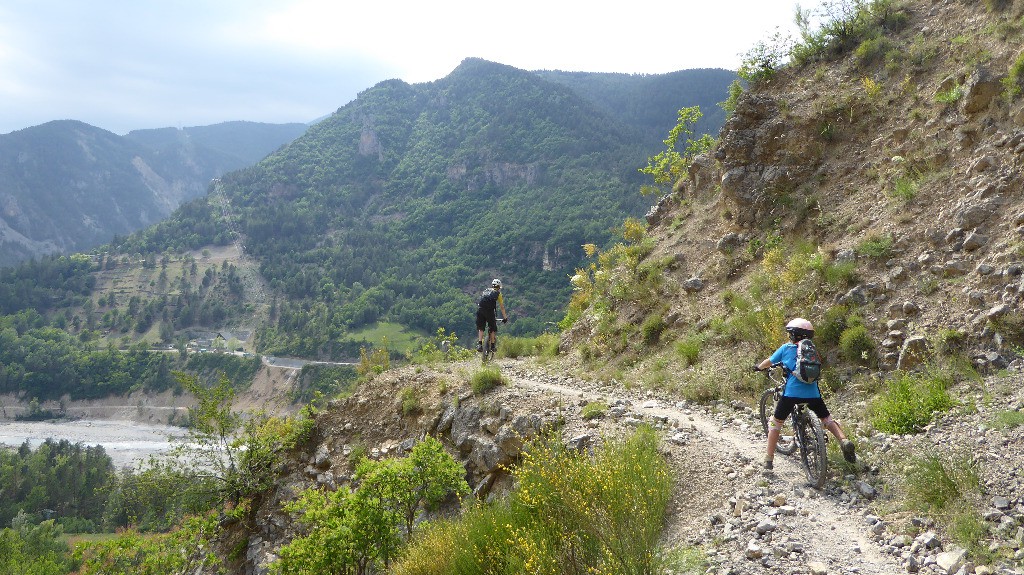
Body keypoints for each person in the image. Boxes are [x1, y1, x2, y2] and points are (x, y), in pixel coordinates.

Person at [754, 317, 856, 470]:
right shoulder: (813, 350)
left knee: (776, 423)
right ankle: (843, 440)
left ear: (793, 335)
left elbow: (769, 361)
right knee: (827, 419)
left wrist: (759, 367)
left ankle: (768, 459)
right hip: (813, 394)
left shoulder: (786, 348)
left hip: (791, 394)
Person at [476, 279, 508, 352]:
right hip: (489, 312)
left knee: (481, 328)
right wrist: (505, 318)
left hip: (480, 310)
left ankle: (480, 344)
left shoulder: (486, 290)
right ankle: (493, 346)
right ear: (499, 287)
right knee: (492, 328)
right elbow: (502, 307)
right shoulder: (498, 294)